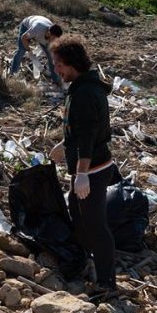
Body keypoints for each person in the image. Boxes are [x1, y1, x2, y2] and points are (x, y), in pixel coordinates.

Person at [48, 35, 117, 291]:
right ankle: (84, 262)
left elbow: (88, 136)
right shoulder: (81, 87)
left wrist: (81, 174)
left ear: (72, 63)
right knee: (77, 212)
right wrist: (64, 145)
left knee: (95, 225)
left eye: (58, 64)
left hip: (94, 169)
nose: (56, 69)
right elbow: (79, 130)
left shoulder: (85, 93)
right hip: (89, 165)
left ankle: (108, 282)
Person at [9, 15, 63, 84]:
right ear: (49, 33)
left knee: (51, 56)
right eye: (53, 38)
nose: (54, 41)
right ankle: (13, 74)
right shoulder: (37, 29)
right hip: (27, 25)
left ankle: (55, 80)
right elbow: (24, 38)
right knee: (21, 51)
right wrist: (28, 50)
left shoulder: (54, 33)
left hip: (41, 28)